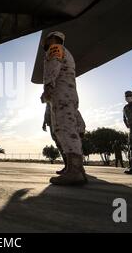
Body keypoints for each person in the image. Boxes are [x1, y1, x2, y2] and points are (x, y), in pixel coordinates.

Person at [41, 30, 87, 185]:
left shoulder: (56, 48)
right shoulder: (65, 51)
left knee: (65, 129)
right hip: (66, 95)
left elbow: (54, 66)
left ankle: (75, 171)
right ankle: (76, 169)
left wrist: (48, 86)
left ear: (53, 39)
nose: (45, 43)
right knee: (65, 129)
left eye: (47, 39)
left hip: (61, 96)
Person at [43, 103, 85, 174]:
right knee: (59, 145)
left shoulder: (61, 98)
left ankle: (75, 168)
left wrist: (81, 129)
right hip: (52, 124)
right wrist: (44, 122)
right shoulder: (49, 101)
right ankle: (67, 167)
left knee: (67, 145)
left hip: (61, 123)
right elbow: (47, 112)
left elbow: (74, 111)